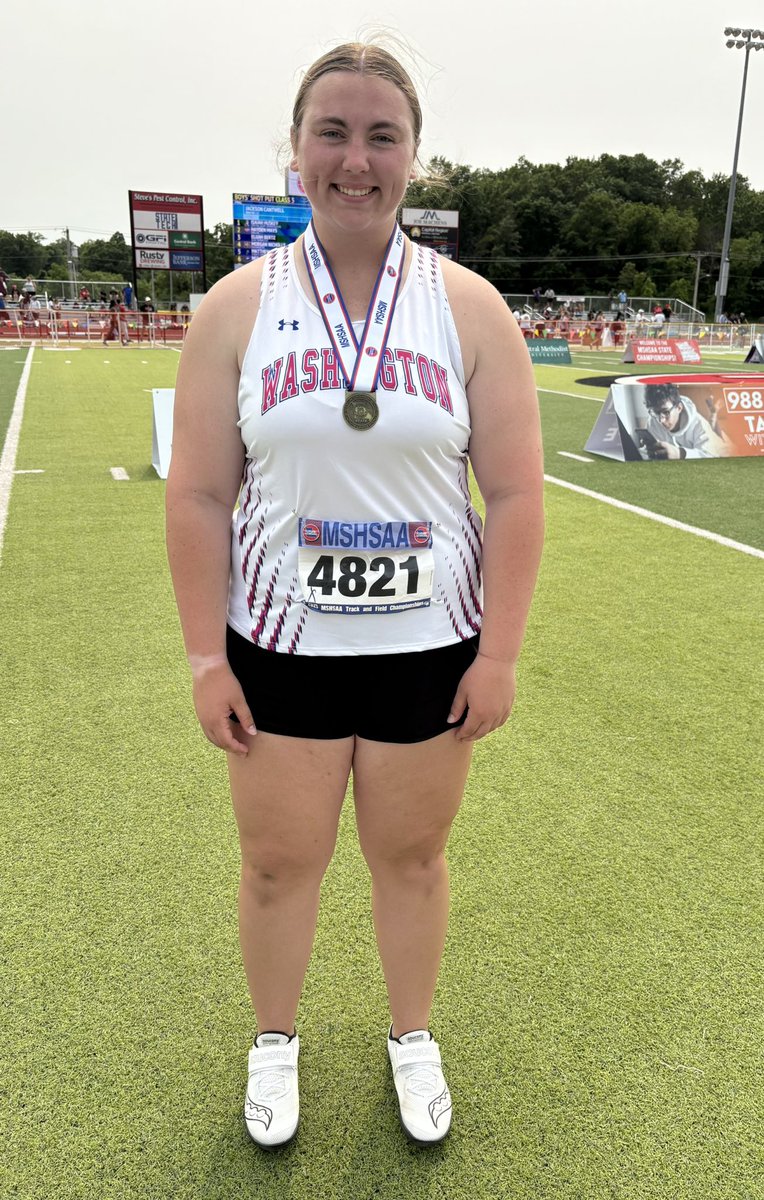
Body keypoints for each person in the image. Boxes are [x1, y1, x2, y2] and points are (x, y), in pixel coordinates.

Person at [165, 39, 544, 1151]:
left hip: (430, 642)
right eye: (332, 131)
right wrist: (202, 657)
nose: (355, 158)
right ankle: (273, 1043)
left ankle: (410, 1037)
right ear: (295, 151)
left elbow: (515, 495)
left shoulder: (470, 309)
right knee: (279, 863)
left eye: (381, 135)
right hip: (279, 643)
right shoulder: (234, 309)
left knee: (412, 860)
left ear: (414, 158)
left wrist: (499, 653)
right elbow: (195, 496)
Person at [642, 382, 727, 458]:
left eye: (666, 412)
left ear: (679, 408)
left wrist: (679, 454)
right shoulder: (653, 422)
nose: (661, 420)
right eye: (656, 413)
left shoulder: (699, 424)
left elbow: (709, 456)